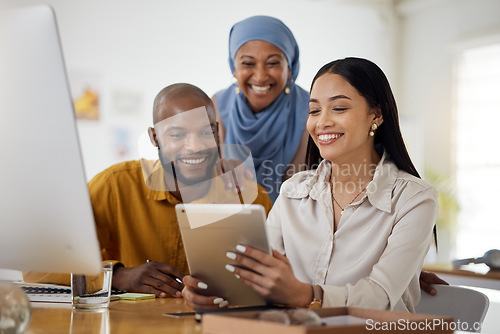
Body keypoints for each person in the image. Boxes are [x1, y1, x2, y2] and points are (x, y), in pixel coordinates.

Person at [183, 58, 439, 312]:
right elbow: (256, 274)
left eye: (339, 108)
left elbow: (380, 297)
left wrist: (306, 294)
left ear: (376, 114)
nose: (322, 122)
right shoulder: (293, 191)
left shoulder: (414, 199)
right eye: (314, 110)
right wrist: (215, 292)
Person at [23, 83, 272, 299]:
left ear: (217, 133)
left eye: (206, 132)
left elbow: (274, 282)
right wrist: (117, 276)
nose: (195, 146)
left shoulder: (249, 197)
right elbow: (37, 266)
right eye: (177, 134)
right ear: (154, 138)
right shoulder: (115, 186)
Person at [213, 15, 310, 203]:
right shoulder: (217, 105)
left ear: (289, 68)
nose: (260, 76)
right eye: (248, 63)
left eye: (273, 63)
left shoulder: (311, 109)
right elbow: (203, 182)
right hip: (229, 223)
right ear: (233, 67)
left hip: (292, 225)